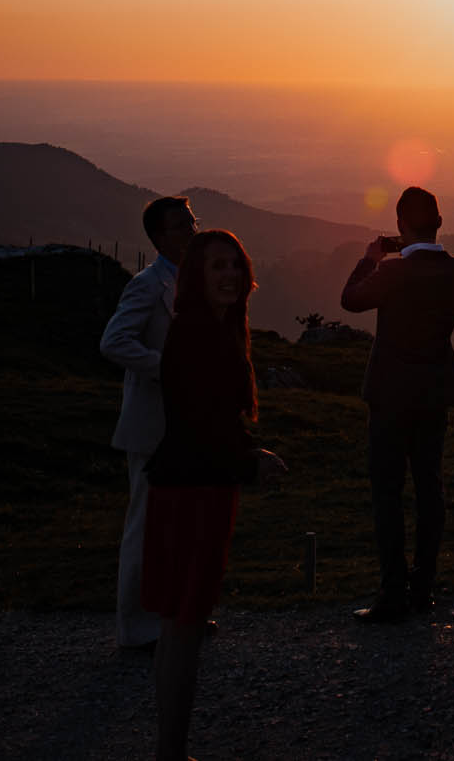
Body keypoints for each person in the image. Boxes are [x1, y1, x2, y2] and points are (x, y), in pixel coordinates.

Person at [141, 230, 287, 761]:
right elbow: (202, 425)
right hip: (193, 494)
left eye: (234, 265)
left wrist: (247, 453)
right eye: (216, 267)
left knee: (178, 624)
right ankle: (172, 752)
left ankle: (169, 749)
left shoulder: (213, 330)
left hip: (189, 486)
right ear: (197, 278)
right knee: (184, 625)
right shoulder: (199, 334)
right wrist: (251, 462)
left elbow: (213, 420)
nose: (228, 275)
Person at [339, 186, 454, 623]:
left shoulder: (394, 271)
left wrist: (371, 258)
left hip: (390, 393)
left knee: (388, 492)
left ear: (400, 225)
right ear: (439, 222)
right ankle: (424, 587)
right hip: (435, 390)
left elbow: (351, 299)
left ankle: (393, 592)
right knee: (429, 488)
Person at [101, 196, 197, 654]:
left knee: (184, 523)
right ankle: (135, 627)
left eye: (193, 222)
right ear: (160, 237)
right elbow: (114, 342)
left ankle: (178, 614)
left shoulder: (190, 280)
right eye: (182, 226)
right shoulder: (146, 284)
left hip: (187, 424)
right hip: (151, 423)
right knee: (144, 525)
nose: (192, 231)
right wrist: (168, 367)